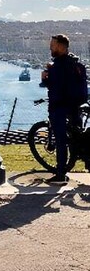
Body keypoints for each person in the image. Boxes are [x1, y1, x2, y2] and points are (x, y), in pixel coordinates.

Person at [40, 34, 84, 185]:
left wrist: (44, 77)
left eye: (53, 45)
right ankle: (77, 160)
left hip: (59, 106)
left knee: (60, 140)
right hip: (75, 105)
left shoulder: (57, 66)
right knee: (76, 137)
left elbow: (52, 85)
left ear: (60, 46)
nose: (50, 47)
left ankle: (60, 174)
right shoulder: (75, 63)